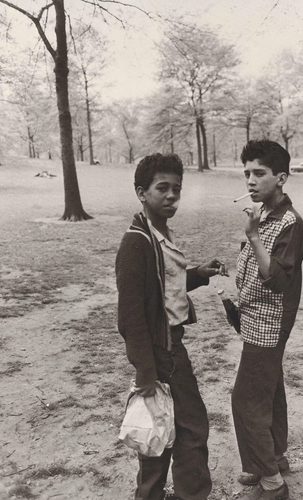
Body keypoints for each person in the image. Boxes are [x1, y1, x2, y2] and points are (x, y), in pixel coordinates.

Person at [116, 153, 227, 500]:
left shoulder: (159, 233)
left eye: (176, 189)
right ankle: (187, 494)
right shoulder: (136, 242)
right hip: (161, 351)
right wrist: (146, 371)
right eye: (161, 188)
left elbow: (164, 289)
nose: (170, 196)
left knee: (161, 428)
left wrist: (198, 274)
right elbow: (131, 315)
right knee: (187, 427)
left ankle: (153, 495)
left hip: (169, 346)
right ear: (141, 192)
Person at [232, 140, 303, 500]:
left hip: (270, 322)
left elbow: (277, 279)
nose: (250, 180)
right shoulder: (266, 214)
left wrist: (252, 236)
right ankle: (275, 459)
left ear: (281, 178)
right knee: (270, 392)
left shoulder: (290, 223)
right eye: (246, 173)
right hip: (255, 318)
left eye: (258, 173)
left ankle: (272, 483)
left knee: (248, 400)